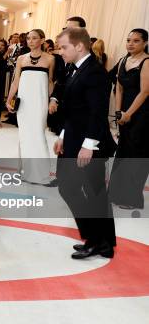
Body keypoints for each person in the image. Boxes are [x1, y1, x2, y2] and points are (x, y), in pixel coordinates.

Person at [53, 27, 116, 259]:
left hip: (89, 144)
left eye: (64, 47)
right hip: (74, 139)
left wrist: (88, 145)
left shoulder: (95, 73)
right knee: (74, 188)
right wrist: (62, 135)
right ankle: (100, 240)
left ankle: (98, 241)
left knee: (93, 192)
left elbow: (97, 113)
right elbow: (73, 111)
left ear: (79, 46)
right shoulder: (75, 69)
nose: (61, 52)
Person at [6, 29, 54, 185]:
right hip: (24, 103)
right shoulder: (21, 59)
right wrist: (9, 99)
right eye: (28, 38)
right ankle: (25, 172)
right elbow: (15, 81)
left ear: (42, 40)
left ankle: (41, 174)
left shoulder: (50, 59)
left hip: (40, 102)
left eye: (34, 38)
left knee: (38, 135)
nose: (31, 41)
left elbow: (50, 82)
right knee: (25, 137)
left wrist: (51, 101)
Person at [109, 28, 148, 210]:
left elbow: (145, 92)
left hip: (141, 114)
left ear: (145, 43)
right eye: (129, 40)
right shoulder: (124, 60)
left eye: (136, 41)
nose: (131, 44)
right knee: (123, 152)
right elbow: (119, 88)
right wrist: (118, 113)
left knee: (135, 154)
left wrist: (129, 114)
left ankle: (132, 198)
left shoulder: (147, 62)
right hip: (124, 111)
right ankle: (116, 194)